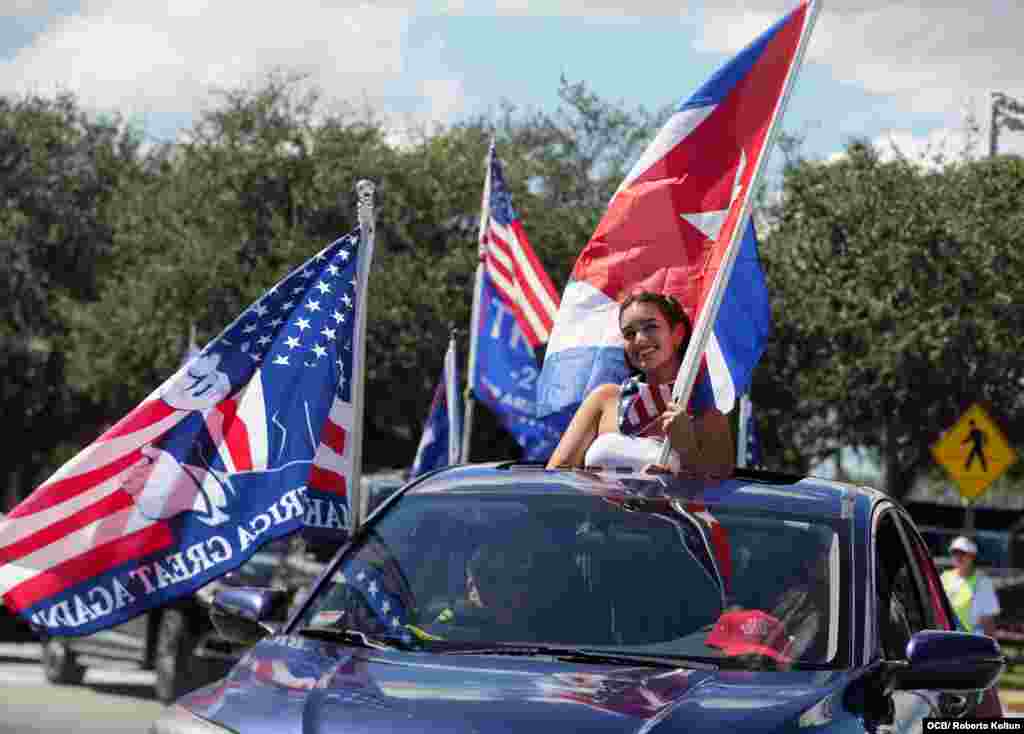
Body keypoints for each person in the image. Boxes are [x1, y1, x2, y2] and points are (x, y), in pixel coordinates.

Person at [545, 291, 734, 478]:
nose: (640, 339)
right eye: (629, 333)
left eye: (650, 327)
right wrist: (598, 482)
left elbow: (716, 497)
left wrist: (686, 453)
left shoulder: (707, 417)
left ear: (677, 334)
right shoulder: (605, 398)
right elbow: (556, 476)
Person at [941, 535, 1000, 636]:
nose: (958, 557)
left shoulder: (983, 583)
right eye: (955, 553)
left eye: (962, 553)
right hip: (945, 636)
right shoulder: (944, 578)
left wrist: (989, 646)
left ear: (972, 556)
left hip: (971, 640)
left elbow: (988, 621)